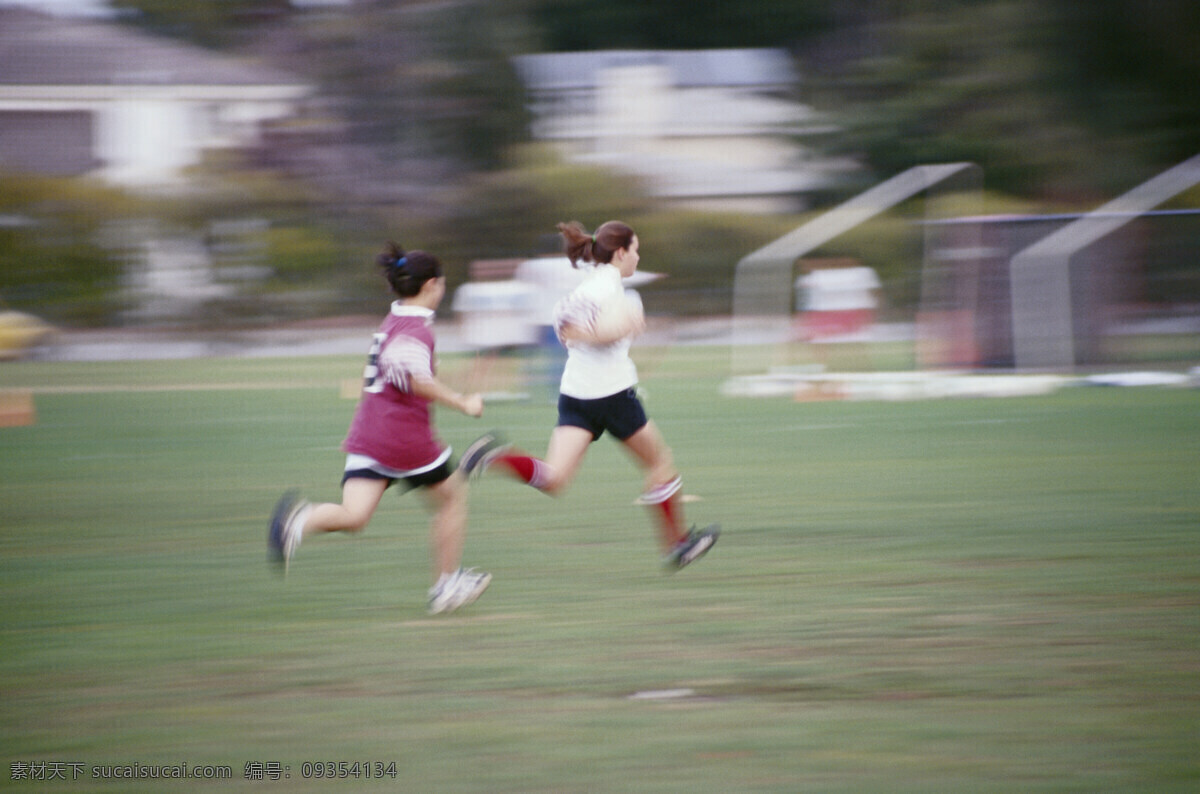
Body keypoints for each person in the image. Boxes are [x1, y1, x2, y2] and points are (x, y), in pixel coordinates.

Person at [460, 220, 719, 570]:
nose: (638, 257)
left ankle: (497, 457)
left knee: (554, 478)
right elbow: (598, 332)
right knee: (659, 463)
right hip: (612, 396)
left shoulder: (585, 288)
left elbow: (565, 325)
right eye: (636, 250)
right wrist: (623, 325)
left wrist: (604, 330)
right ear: (621, 252)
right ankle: (678, 545)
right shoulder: (614, 292)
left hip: (575, 395)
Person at [268, 241, 492, 615]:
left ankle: (299, 520)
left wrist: (448, 380)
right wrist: (462, 402)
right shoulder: (417, 329)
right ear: (432, 285)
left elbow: (399, 370)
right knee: (451, 499)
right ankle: (446, 585)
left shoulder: (393, 321)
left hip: (369, 433)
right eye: (442, 285)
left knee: (354, 516)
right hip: (404, 438)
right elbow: (411, 376)